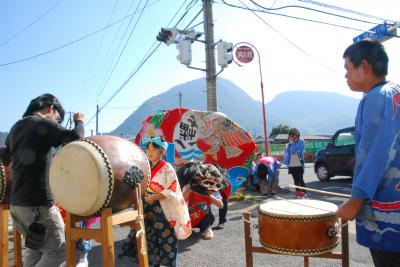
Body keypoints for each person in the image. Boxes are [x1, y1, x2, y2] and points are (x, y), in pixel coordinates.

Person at [336, 39, 400, 267]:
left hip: (389, 213)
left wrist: (354, 202)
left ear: (364, 66)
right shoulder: (395, 93)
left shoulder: (375, 97)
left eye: (347, 68)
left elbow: (374, 154)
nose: (345, 75)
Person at [5, 93, 85, 267]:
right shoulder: (41, 122)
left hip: (17, 205)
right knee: (59, 251)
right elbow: (75, 139)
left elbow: (6, 155)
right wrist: (79, 121)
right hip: (37, 205)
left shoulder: (15, 128)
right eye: (57, 119)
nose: (56, 124)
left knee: (35, 251)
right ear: (51, 108)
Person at [121, 136, 191, 266]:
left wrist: (154, 197)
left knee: (164, 239)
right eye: (148, 149)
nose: (150, 152)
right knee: (147, 237)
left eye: (154, 149)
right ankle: (152, 264)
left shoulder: (167, 168)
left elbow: (173, 189)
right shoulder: (144, 167)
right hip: (147, 206)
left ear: (162, 151)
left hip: (163, 209)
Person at [283, 128, 306, 199]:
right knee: (295, 179)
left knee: (300, 179)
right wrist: (287, 164)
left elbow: (298, 150)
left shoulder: (301, 142)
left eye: (293, 135)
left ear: (297, 135)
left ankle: (304, 193)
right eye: (291, 135)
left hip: (299, 162)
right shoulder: (289, 144)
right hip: (292, 164)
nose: (292, 137)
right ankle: (298, 193)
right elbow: (287, 153)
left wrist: (292, 144)